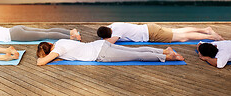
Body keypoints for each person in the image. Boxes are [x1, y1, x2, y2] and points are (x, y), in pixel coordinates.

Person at [36, 39, 184, 66]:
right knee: (135, 50)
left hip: (101, 54)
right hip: (100, 44)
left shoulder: (57, 50)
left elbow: (41, 62)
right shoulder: (60, 42)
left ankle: (168, 57)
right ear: (50, 43)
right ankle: (164, 50)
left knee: (137, 56)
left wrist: (42, 58)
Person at [97, 22, 223, 44]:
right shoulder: (114, 25)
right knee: (178, 31)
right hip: (150, 28)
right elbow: (105, 30)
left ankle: (212, 36)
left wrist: (103, 39)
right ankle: (205, 30)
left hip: (152, 34)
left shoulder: (116, 32)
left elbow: (109, 43)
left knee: (183, 38)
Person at [0, 24, 81, 45]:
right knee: (46, 31)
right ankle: (71, 32)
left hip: (15, 35)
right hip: (16, 28)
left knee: (46, 35)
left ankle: (72, 38)